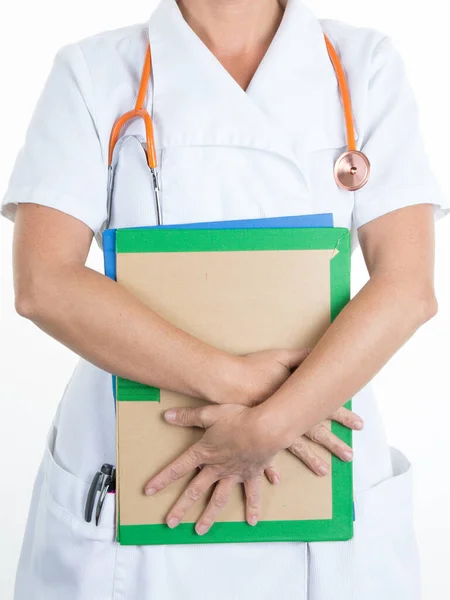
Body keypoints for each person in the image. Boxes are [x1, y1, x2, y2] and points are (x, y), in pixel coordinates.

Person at [2, 0, 448, 598]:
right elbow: (44, 285)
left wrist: (274, 423)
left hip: (316, 453)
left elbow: (407, 288)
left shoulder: (362, 66)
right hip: (140, 454)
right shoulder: (95, 71)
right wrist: (246, 390)